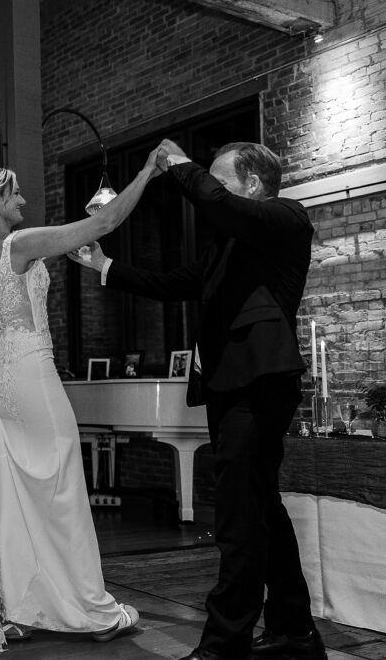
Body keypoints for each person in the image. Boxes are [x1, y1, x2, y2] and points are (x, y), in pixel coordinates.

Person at [0, 152, 162, 658]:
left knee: (12, 491)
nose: (22, 200)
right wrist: (148, 171)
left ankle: (17, 604)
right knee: (61, 489)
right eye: (15, 193)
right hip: (31, 372)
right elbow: (104, 220)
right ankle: (90, 608)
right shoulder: (18, 244)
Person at [69, 140, 321, 660]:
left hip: (260, 381)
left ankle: (226, 644)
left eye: (220, 178)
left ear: (252, 184)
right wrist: (105, 266)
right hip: (234, 387)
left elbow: (218, 204)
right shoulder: (229, 245)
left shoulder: (286, 218)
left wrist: (182, 166)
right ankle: (295, 631)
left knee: (237, 517)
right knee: (261, 509)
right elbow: (172, 283)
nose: (211, 189)